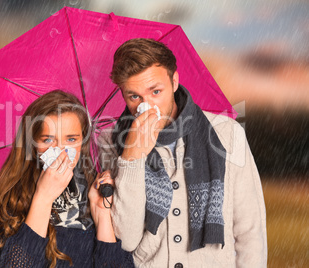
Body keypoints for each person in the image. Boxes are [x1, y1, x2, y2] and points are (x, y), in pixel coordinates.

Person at [97, 38, 267, 267]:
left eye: (156, 91)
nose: (146, 106)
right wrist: (132, 156)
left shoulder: (226, 132)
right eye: (134, 96)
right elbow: (125, 239)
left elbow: (250, 231)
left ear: (174, 81)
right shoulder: (110, 142)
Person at [0, 90, 134, 267]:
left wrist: (102, 216)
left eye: (70, 139)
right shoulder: (15, 197)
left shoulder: (97, 191)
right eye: (48, 140)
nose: (60, 149)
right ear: (32, 144)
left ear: (82, 143)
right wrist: (43, 198)